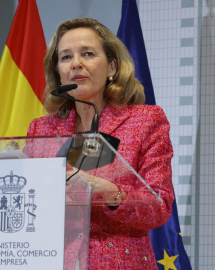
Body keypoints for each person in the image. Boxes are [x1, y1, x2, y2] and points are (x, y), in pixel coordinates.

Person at [24, 18, 174, 269]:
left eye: (88, 53)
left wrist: (108, 191)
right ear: (59, 72)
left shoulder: (145, 121)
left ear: (112, 67)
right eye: (65, 57)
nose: (76, 64)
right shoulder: (42, 130)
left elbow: (159, 207)